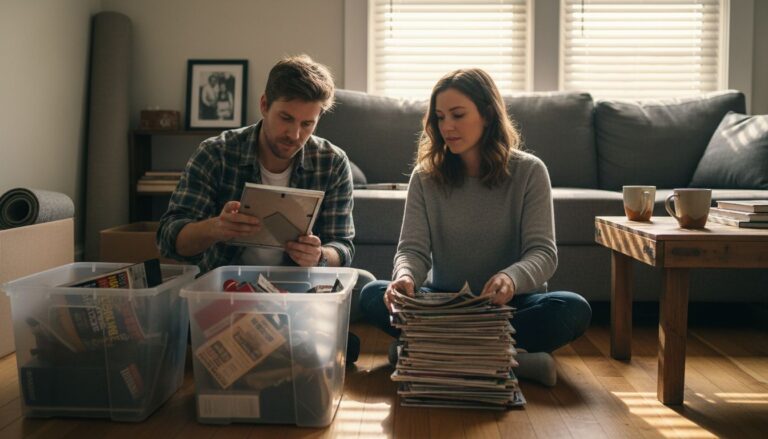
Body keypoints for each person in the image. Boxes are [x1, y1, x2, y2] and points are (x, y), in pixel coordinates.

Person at [358, 68, 592, 386]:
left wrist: (511, 278)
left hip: (509, 307)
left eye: (457, 115)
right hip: (442, 302)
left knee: (572, 308)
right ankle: (514, 361)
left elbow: (543, 253)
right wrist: (405, 278)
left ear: (487, 114)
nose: (447, 127)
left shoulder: (530, 172)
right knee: (371, 294)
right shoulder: (425, 176)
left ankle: (426, 352)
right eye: (440, 117)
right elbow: (411, 250)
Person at [158, 54, 374, 361]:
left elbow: (343, 245)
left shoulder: (332, 161)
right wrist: (213, 229)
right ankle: (294, 341)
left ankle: (265, 341)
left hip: (296, 293)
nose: (295, 134)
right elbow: (168, 237)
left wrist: (319, 256)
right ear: (264, 105)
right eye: (286, 118)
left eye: (307, 124)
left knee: (363, 282)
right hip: (228, 293)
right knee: (183, 311)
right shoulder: (216, 153)